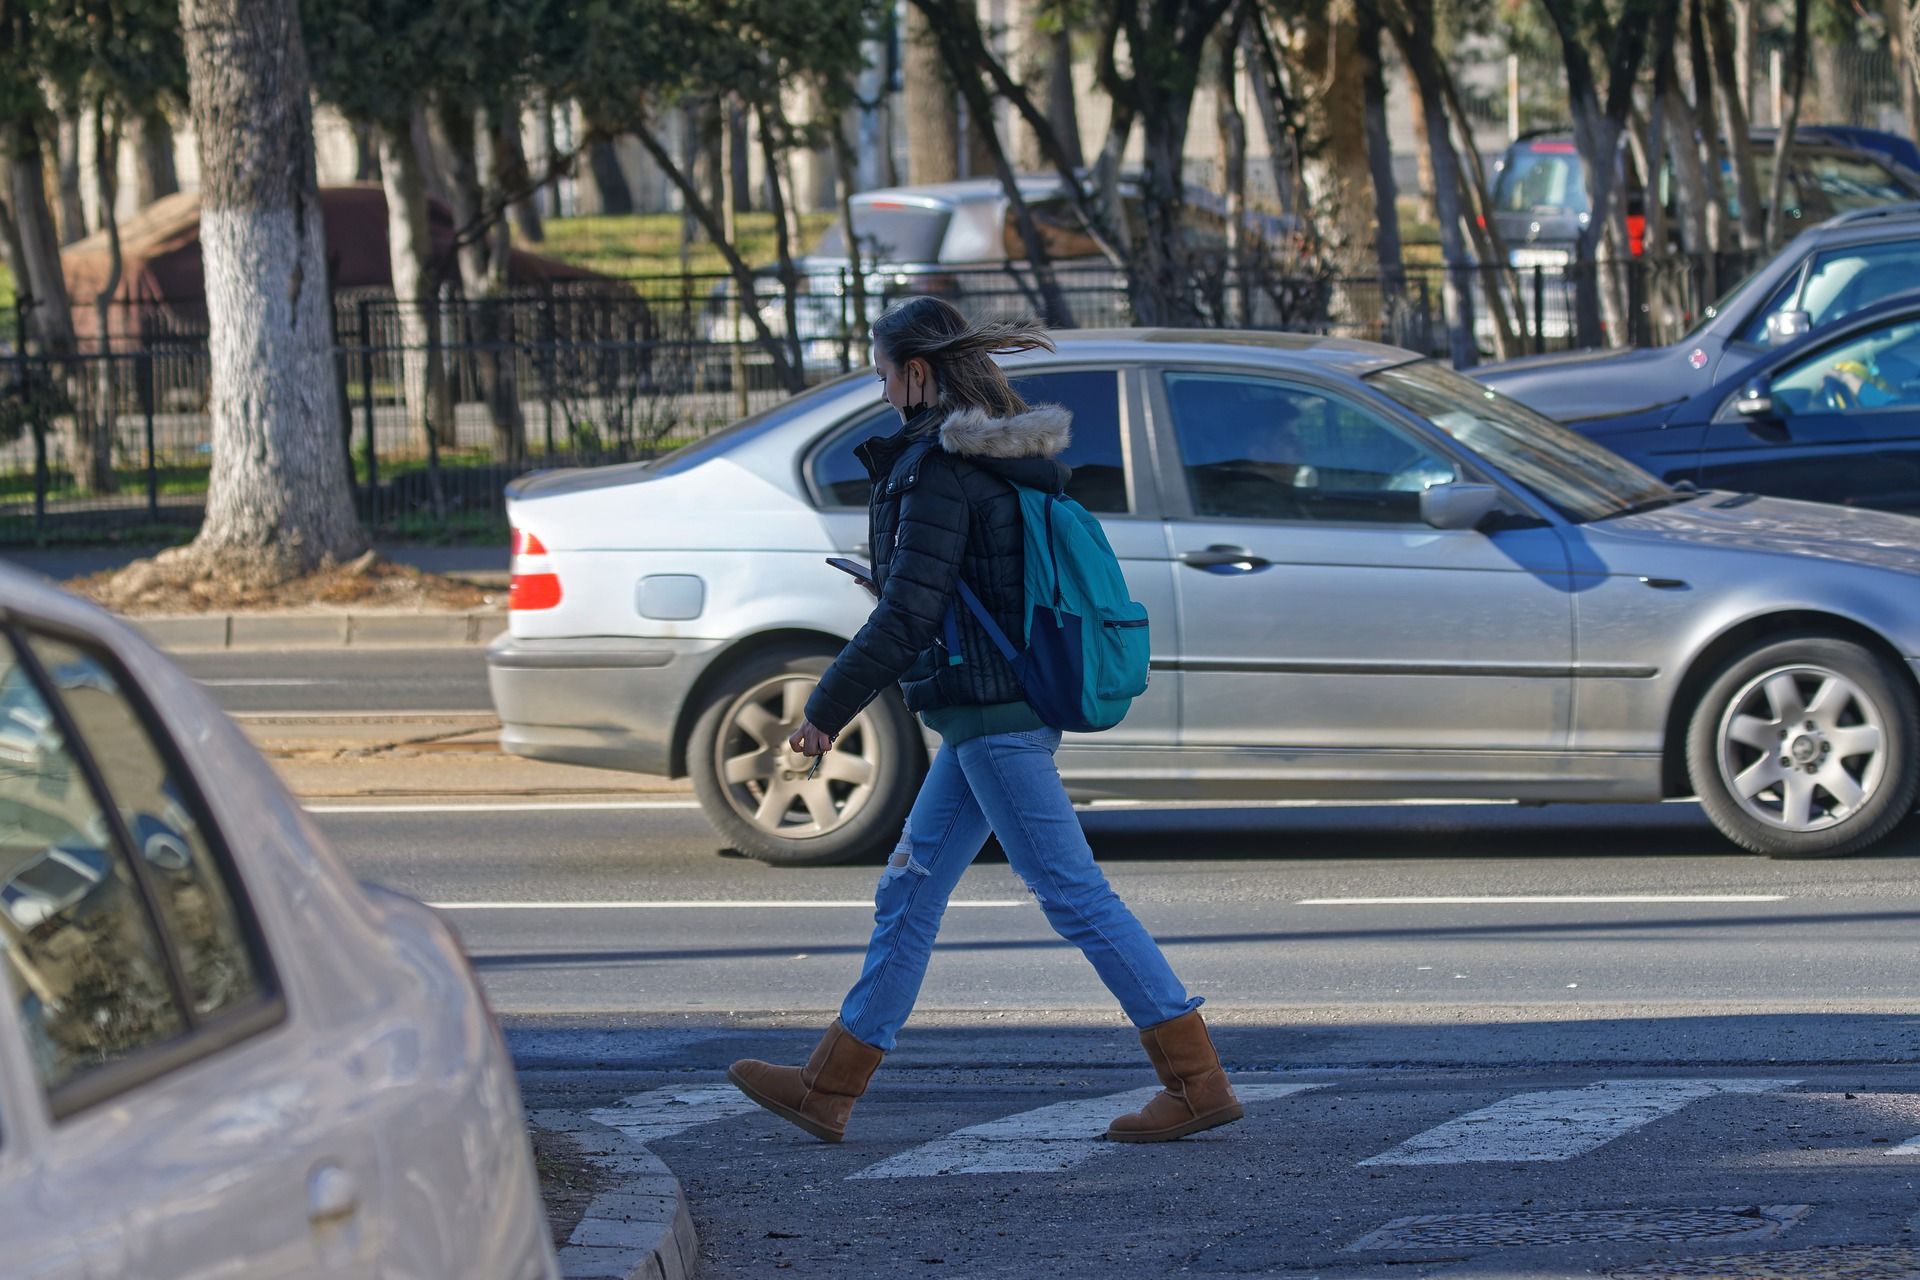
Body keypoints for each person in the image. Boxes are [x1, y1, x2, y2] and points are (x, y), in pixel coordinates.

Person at [726, 296, 1242, 1145]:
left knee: (1072, 895)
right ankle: (829, 1087)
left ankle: (1196, 1081)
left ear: (917, 373)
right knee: (912, 888)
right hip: (987, 714)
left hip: (994, 718)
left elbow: (909, 618)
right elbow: (957, 592)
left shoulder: (935, 470)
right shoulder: (991, 461)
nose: (881, 388)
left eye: (885, 372)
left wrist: (825, 710)